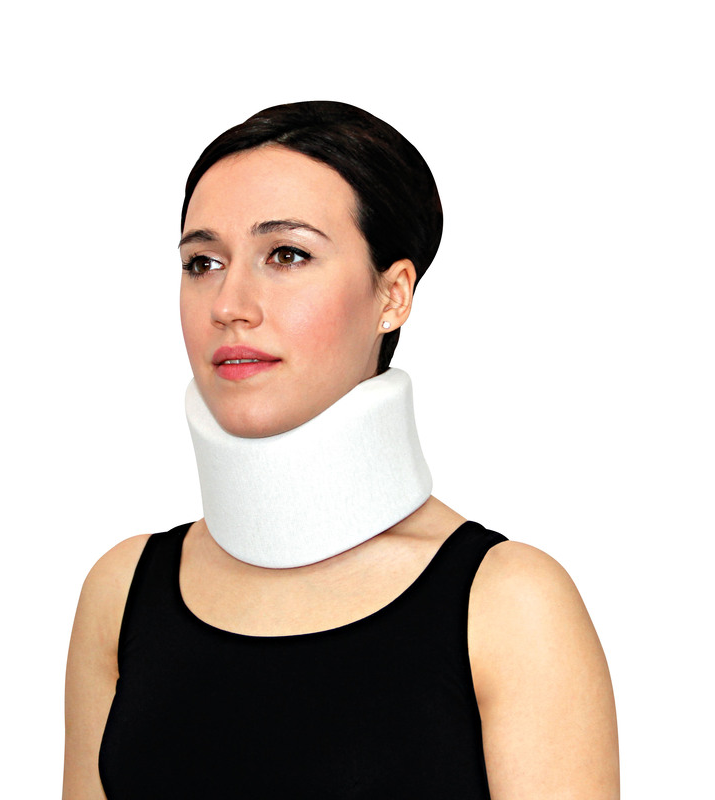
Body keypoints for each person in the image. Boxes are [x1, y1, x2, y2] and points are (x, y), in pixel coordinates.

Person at [63, 101, 619, 798]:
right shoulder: (121, 592)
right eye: (202, 262)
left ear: (393, 295)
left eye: (287, 255)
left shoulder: (510, 605)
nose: (229, 303)